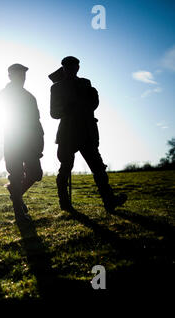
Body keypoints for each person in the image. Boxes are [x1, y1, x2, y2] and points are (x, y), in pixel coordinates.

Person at [50, 56, 127, 212]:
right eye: (67, 67)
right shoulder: (57, 87)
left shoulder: (85, 83)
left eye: (73, 66)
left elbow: (92, 106)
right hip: (67, 134)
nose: (70, 69)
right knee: (65, 168)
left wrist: (93, 99)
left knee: (98, 168)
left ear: (78, 68)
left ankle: (109, 201)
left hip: (86, 132)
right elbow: (53, 113)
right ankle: (64, 203)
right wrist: (67, 109)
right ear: (63, 68)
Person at [0, 64, 44, 221]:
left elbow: (36, 122)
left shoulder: (30, 97)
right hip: (12, 141)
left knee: (36, 173)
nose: (22, 79)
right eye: (19, 75)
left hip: (30, 142)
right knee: (16, 175)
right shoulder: (3, 95)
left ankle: (16, 195)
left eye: (24, 76)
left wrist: (39, 141)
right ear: (10, 76)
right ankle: (19, 214)